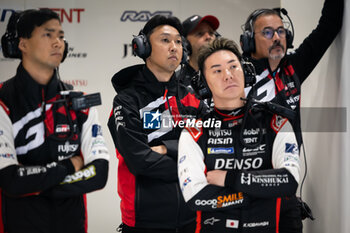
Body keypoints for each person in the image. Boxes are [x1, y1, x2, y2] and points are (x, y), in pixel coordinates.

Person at [0, 9, 109, 233]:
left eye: (60, 36)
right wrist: (69, 166)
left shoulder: (80, 102)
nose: (58, 42)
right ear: (22, 44)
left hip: (72, 225)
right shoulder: (3, 99)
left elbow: (99, 173)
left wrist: (38, 182)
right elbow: (9, 180)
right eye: (48, 35)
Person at [178, 37, 301, 233]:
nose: (228, 75)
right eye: (217, 70)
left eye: (233, 66)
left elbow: (289, 182)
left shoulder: (276, 122)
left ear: (246, 72)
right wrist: (261, 189)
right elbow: (196, 196)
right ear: (203, 83)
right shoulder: (194, 131)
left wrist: (230, 179)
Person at [107, 15, 207, 233]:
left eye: (178, 42)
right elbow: (139, 161)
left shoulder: (193, 99)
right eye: (165, 40)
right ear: (143, 47)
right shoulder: (126, 101)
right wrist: (190, 165)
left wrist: (165, 148)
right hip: (144, 223)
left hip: (193, 219)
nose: (174, 47)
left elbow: (209, 150)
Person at [240, 0, 343, 146]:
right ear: (249, 40)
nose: (277, 38)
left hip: (288, 164)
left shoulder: (293, 66)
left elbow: (328, 27)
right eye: (268, 32)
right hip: (246, 164)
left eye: (281, 31)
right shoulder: (235, 73)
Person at [178, 14, 220, 88]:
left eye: (211, 33)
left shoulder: (227, 75)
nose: (208, 37)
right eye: (200, 34)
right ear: (185, 44)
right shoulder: (178, 83)